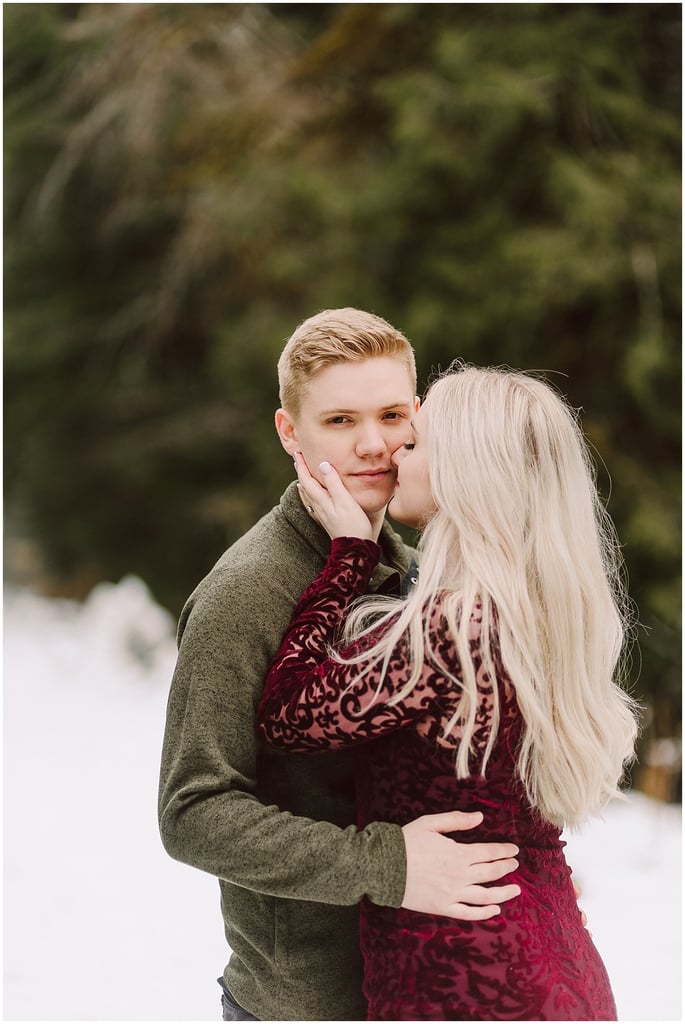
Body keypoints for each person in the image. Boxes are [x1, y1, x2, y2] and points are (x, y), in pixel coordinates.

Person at [158, 311, 523, 1022]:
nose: (372, 445)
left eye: (391, 414)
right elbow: (192, 812)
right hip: (304, 1005)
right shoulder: (247, 592)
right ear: (290, 432)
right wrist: (386, 865)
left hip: (429, 984)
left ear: (417, 415)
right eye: (338, 420)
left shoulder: (415, 568)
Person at [256, 363, 641, 1021]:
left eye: (414, 442)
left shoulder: (452, 625)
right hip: (553, 969)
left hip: (467, 983)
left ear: (465, 469)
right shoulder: (535, 609)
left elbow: (287, 716)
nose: (391, 454)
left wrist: (349, 554)